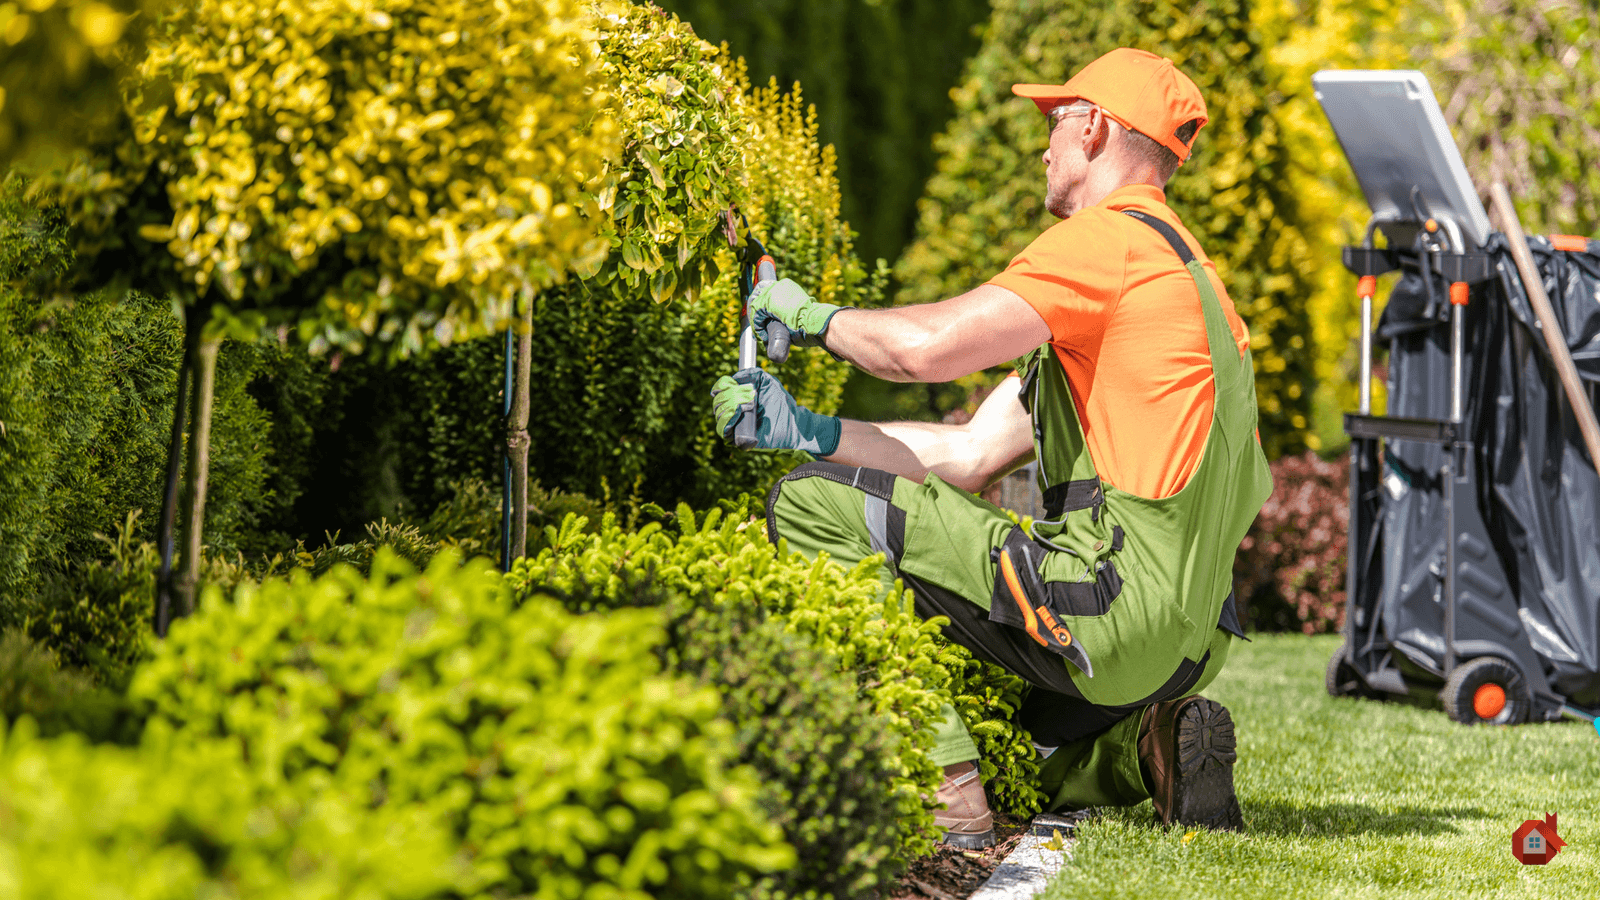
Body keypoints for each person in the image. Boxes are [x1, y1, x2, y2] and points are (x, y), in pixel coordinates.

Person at [711, 48, 1272, 848]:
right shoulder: (1188, 279)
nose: (1042, 145)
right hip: (1187, 643)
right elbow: (971, 453)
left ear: (1096, 129)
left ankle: (945, 793)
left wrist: (807, 316)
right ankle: (1144, 751)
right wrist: (808, 430)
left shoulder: (1106, 243)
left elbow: (922, 351)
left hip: (1110, 609)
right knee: (1008, 731)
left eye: (1054, 122)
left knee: (807, 503)